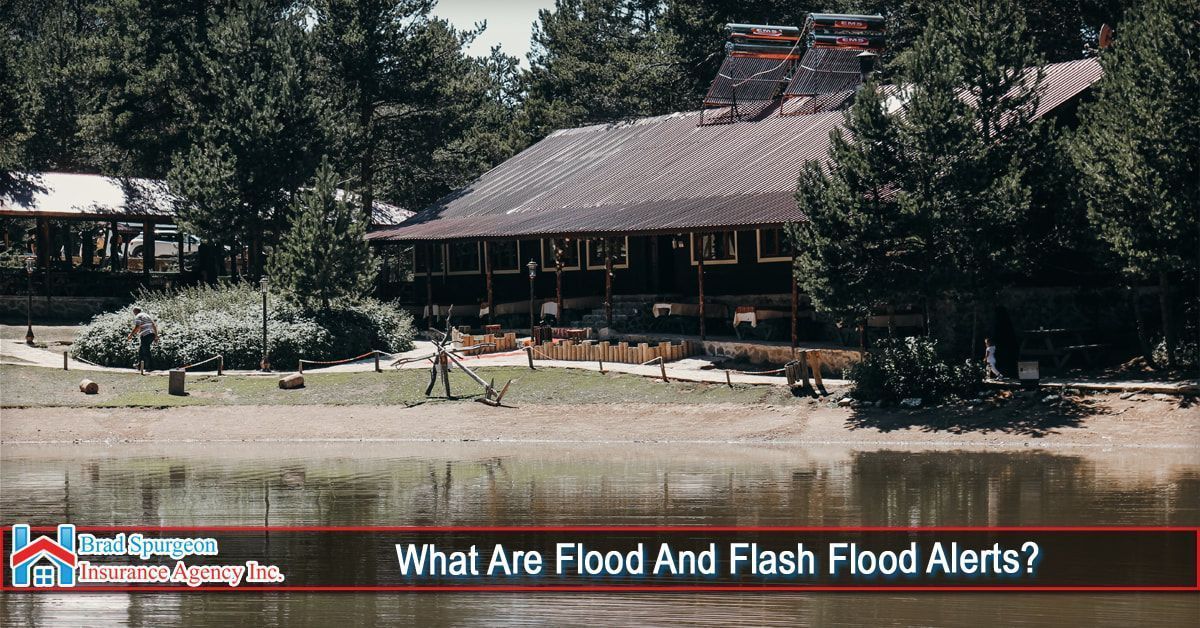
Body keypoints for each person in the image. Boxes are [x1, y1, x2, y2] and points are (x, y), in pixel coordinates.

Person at [126, 307, 159, 372]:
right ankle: (139, 366)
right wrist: (156, 336)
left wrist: (131, 335)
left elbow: (137, 327)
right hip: (151, 334)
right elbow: (153, 325)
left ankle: (150, 367)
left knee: (146, 351)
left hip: (145, 335)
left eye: (133, 312)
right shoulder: (147, 316)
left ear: (135, 312)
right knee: (141, 350)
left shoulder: (138, 316)